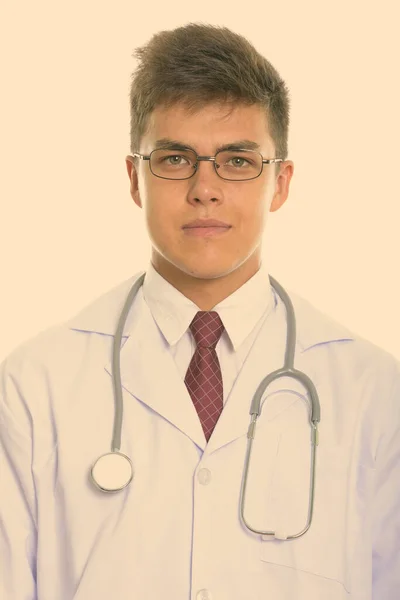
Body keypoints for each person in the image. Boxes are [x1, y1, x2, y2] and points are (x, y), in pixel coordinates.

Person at [0, 22, 399, 600]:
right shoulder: (36, 384)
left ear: (280, 183)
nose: (204, 188)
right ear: (135, 178)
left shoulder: (369, 388)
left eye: (237, 161)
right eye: (175, 158)